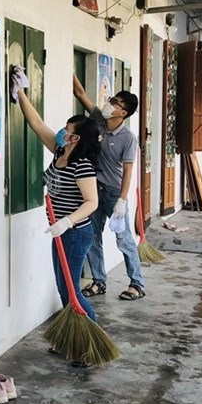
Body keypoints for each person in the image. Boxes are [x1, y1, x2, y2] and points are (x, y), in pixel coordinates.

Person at [12, 66, 100, 323]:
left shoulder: (82, 164)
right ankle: (70, 340)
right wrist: (20, 92)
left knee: (72, 291)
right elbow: (37, 124)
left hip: (75, 233)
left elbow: (91, 202)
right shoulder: (60, 151)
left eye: (67, 129)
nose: (63, 131)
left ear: (76, 138)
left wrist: (66, 221)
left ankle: (90, 340)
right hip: (60, 232)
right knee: (64, 290)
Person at [72, 74, 146, 301]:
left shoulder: (128, 138)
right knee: (93, 237)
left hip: (114, 194)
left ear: (123, 112)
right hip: (95, 191)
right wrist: (71, 72)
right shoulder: (98, 121)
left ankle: (137, 284)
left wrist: (122, 201)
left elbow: (128, 172)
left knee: (123, 239)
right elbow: (80, 94)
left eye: (115, 102)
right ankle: (98, 281)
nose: (110, 103)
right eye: (112, 98)